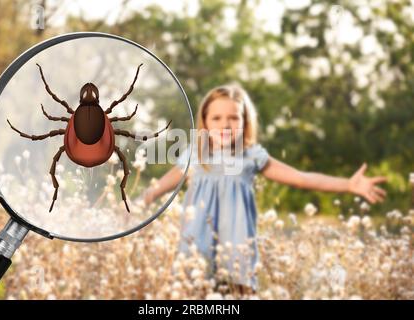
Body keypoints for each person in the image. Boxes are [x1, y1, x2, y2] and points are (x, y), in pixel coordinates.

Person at [142, 83, 387, 294]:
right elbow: (157, 188)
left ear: (244, 122)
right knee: (189, 295)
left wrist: (348, 184)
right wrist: (137, 203)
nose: (225, 124)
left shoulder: (251, 156)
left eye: (233, 117)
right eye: (216, 118)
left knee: (241, 295)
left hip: (237, 248)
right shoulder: (195, 154)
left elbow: (300, 177)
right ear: (204, 121)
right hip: (196, 246)